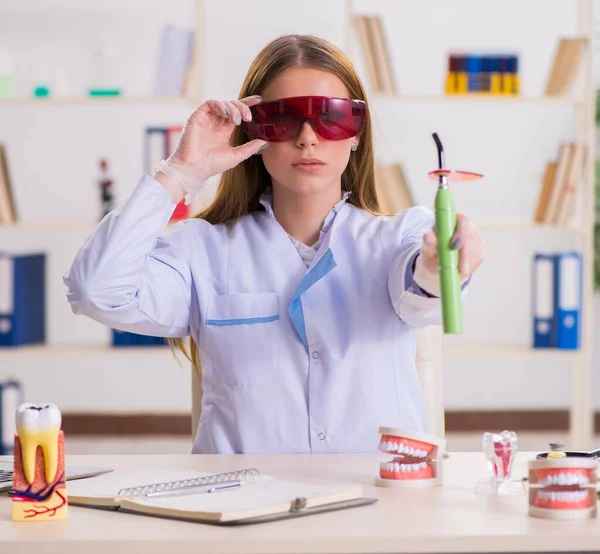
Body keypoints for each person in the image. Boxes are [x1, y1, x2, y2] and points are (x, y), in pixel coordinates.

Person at [63, 34, 484, 454]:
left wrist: (437, 266)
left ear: (356, 133)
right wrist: (180, 173)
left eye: (331, 117)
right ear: (254, 131)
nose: (307, 137)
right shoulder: (202, 250)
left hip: (376, 501)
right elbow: (97, 290)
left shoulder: (399, 238)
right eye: (282, 119)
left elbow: (422, 293)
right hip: (241, 504)